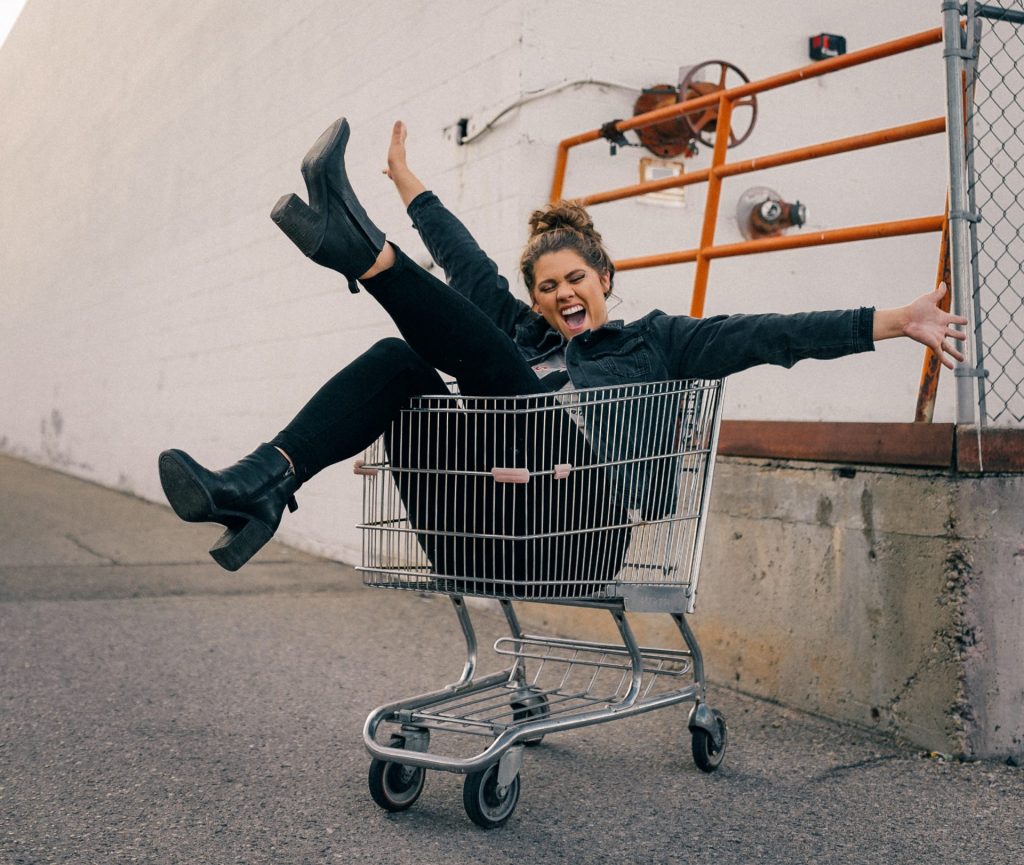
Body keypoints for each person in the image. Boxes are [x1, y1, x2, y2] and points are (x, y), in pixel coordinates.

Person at [158, 118, 968, 585]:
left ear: (604, 276)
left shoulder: (659, 342)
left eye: (573, 279)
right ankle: (261, 484)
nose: (559, 297)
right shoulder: (519, 333)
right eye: (545, 288)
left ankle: (361, 253)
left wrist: (893, 319)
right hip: (478, 525)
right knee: (400, 361)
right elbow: (467, 263)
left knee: (504, 379)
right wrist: (408, 181)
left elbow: (770, 335)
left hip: (580, 533)